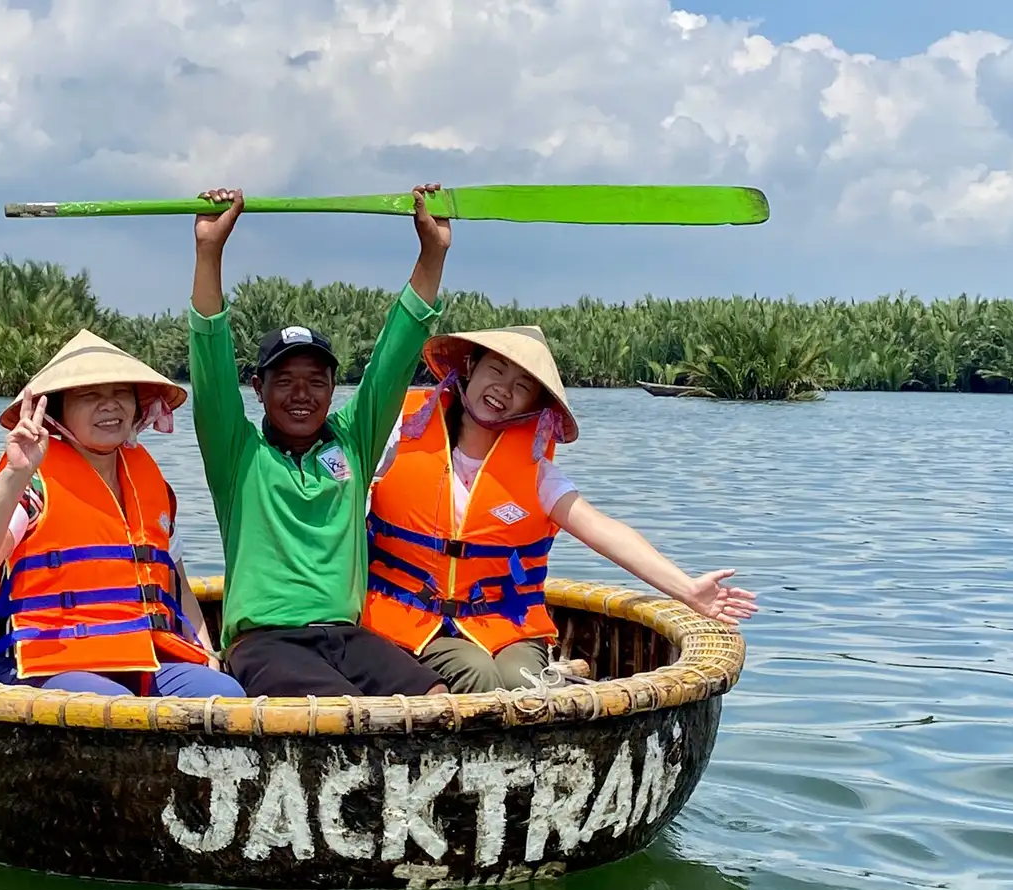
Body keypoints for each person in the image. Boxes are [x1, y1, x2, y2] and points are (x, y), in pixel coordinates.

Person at [361, 325, 760, 693]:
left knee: (526, 682)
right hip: (407, 619)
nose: (503, 389)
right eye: (496, 371)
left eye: (522, 386)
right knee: (476, 674)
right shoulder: (398, 438)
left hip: (505, 625)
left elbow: (605, 531)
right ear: (470, 366)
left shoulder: (536, 474)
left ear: (533, 405)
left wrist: (689, 590)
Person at [186, 183, 453, 698]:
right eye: (284, 381)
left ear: (334, 388)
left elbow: (396, 354)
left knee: (433, 698)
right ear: (258, 389)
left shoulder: (353, 440)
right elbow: (209, 352)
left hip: (347, 637)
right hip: (265, 641)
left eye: (315, 381)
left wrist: (432, 252)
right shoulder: (238, 453)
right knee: (339, 708)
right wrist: (209, 251)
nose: (301, 395)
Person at [0, 328, 245, 699]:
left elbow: (176, 583)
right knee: (112, 705)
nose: (110, 406)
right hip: (42, 663)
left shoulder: (149, 482)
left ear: (136, 405)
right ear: (58, 409)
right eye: (90, 395)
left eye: (120, 394)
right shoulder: (33, 480)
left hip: (140, 657)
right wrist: (15, 475)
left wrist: (206, 653)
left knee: (223, 691)